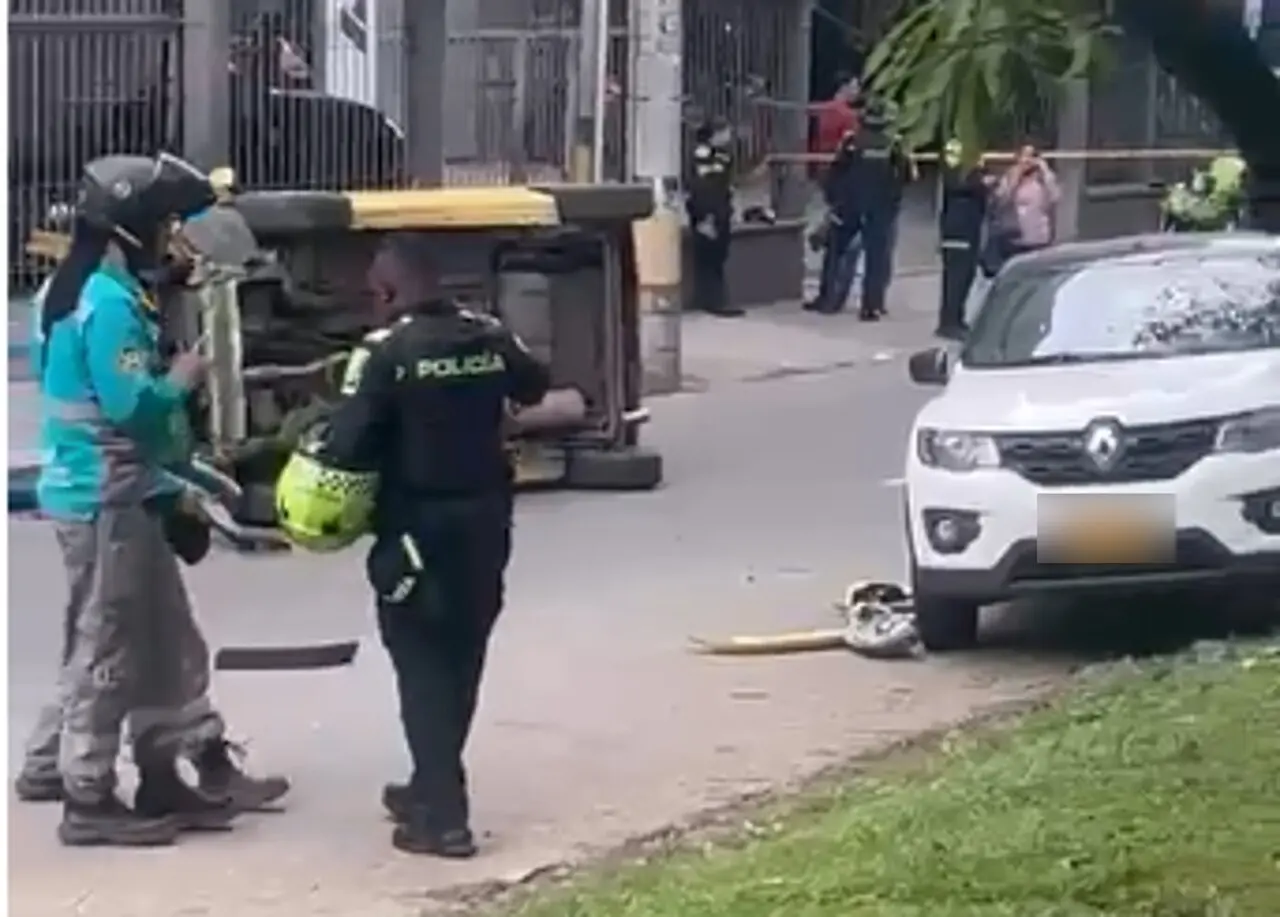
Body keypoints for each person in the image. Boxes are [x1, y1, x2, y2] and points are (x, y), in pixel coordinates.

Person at [274, 233, 551, 858]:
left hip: (414, 530)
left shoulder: (383, 354)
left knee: (421, 660)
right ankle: (429, 783)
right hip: (486, 522)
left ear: (390, 292)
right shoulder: (488, 335)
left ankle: (443, 817)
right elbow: (536, 384)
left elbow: (348, 444)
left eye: (375, 295)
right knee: (464, 649)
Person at [15, 193, 291, 818]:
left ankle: (156, 762)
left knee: (148, 634)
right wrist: (182, 379)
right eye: (160, 228)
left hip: (94, 487)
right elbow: (134, 409)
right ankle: (89, 790)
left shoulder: (64, 290)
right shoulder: (110, 305)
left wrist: (173, 488)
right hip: (111, 494)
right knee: (113, 644)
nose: (168, 241)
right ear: (128, 232)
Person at [807, 98, 913, 319]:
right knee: (877, 258)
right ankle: (872, 306)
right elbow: (907, 176)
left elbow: (835, 172)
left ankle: (828, 300)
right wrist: (893, 199)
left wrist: (833, 199)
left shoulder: (851, 142)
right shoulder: (894, 144)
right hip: (881, 208)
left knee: (836, 252)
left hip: (850, 205)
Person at [936, 139, 995, 339]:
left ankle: (957, 318)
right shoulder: (955, 145)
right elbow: (954, 181)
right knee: (956, 277)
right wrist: (979, 183)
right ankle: (948, 322)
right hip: (957, 224)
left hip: (971, 224)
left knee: (966, 275)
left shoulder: (972, 147)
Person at [686, 118, 743, 317]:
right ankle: (714, 300)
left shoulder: (725, 156)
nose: (728, 136)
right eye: (725, 132)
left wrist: (732, 210)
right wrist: (704, 217)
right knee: (708, 258)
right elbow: (701, 187)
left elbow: (726, 185)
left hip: (721, 210)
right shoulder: (701, 155)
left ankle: (716, 299)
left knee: (718, 257)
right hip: (707, 212)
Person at [988, 144, 1060, 266]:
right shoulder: (1011, 175)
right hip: (1014, 236)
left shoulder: (1043, 178)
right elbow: (1001, 201)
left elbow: (1055, 197)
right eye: (1024, 156)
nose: (1027, 160)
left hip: (1038, 237)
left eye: (1031, 156)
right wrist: (1015, 179)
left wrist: (1045, 171)